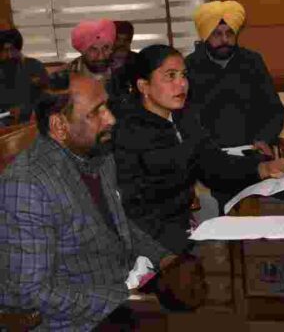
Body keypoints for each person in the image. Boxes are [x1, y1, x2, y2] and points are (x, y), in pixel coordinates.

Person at [0, 72, 206, 330]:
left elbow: (118, 225)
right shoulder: (27, 186)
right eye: (96, 112)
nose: (111, 118)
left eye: (107, 106)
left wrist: (165, 259)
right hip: (73, 321)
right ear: (59, 126)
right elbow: (27, 292)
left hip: (121, 291)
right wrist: (124, 299)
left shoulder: (97, 156)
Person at [114, 44, 284, 253]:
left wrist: (263, 168)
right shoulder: (128, 134)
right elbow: (132, 211)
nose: (181, 84)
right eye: (170, 76)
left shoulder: (183, 118)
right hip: (152, 243)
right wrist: (174, 251)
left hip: (185, 230)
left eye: (183, 75)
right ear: (143, 86)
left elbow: (213, 164)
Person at [185, 0, 284, 155]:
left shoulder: (252, 61)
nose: (225, 40)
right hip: (208, 155)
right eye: (217, 34)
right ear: (205, 36)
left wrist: (263, 139)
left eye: (230, 33)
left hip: (252, 150)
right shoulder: (190, 66)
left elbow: (275, 110)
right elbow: (185, 117)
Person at [0, 24, 47, 125]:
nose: (9, 55)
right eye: (4, 50)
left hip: (31, 127)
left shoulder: (34, 67)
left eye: (12, 49)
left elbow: (47, 100)